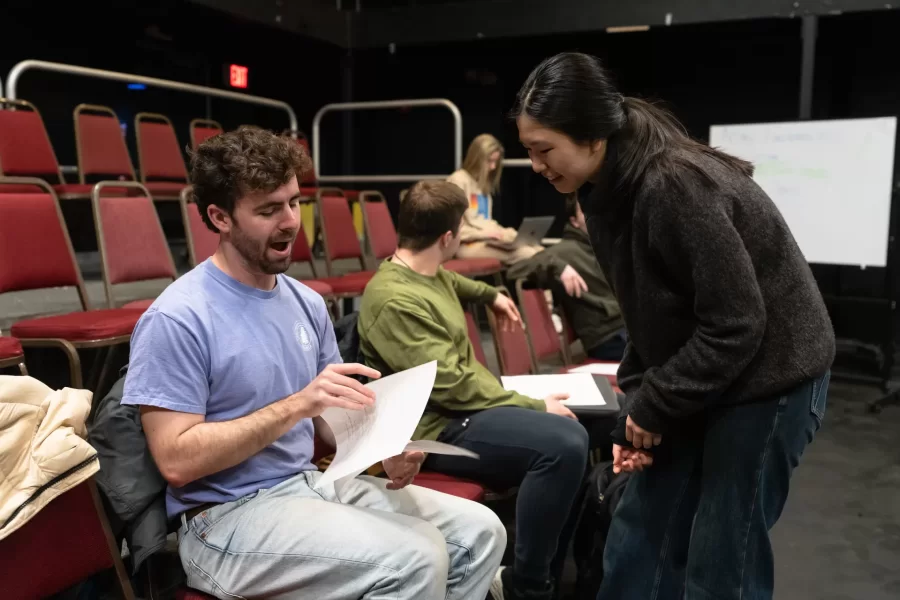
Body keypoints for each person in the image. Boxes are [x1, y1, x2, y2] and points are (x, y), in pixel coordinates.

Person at [121, 127, 506, 600]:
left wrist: (381, 449)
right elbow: (177, 461)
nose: (289, 222)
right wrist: (295, 405)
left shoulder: (305, 302)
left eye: (293, 203)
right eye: (267, 210)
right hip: (222, 521)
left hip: (309, 485)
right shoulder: (177, 318)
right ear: (219, 217)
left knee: (481, 531)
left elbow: (327, 428)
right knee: (416, 557)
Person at [512, 53, 835, 600]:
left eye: (544, 149)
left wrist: (654, 405)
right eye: (529, 151)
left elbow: (736, 324)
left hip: (771, 377)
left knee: (721, 557)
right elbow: (649, 316)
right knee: (637, 538)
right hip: (710, 371)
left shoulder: (672, 184)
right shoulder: (601, 193)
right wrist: (639, 409)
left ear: (593, 136)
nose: (537, 165)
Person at [358, 179, 590, 600]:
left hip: (467, 407)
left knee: (589, 422)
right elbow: (454, 388)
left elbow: (459, 285)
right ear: (448, 238)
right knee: (564, 445)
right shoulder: (394, 299)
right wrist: (536, 405)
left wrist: (493, 296)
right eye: (461, 230)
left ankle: (558, 574)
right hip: (439, 424)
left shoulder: (428, 272)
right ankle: (527, 585)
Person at [507, 192, 626, 361]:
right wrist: (558, 267)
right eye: (585, 210)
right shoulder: (566, 250)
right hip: (608, 337)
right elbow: (514, 271)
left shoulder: (603, 245)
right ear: (574, 221)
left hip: (626, 330)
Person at [447, 133, 543, 265]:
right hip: (466, 245)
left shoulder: (482, 184)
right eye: (489, 161)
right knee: (527, 253)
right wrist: (485, 234)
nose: (493, 167)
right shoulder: (458, 180)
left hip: (485, 240)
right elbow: (453, 229)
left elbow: (485, 221)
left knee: (540, 250)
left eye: (495, 162)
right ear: (476, 159)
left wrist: (506, 233)